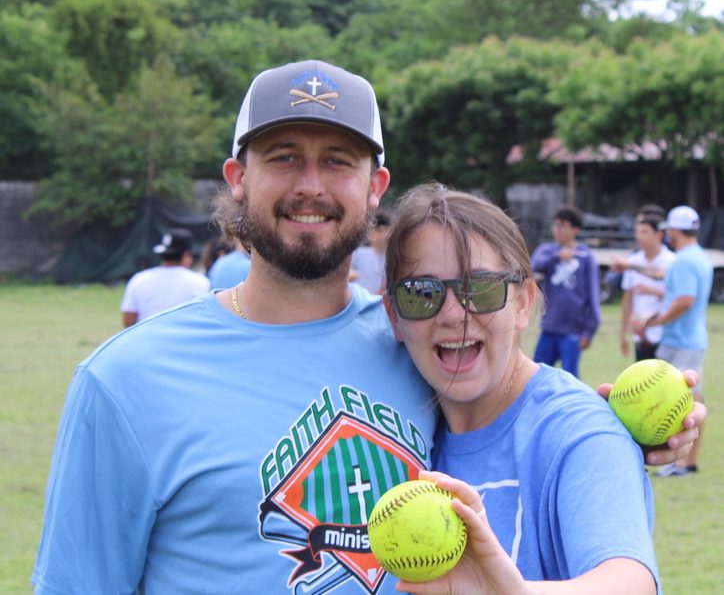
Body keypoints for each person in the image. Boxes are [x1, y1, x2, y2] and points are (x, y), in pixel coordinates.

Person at [33, 60, 703, 595]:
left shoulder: (412, 342)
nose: (311, 185)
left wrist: (625, 437)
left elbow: (527, 415)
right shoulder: (125, 381)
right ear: (238, 177)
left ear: (376, 186)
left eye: (338, 161)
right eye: (284, 156)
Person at [383, 184, 658, 592]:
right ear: (393, 316)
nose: (453, 314)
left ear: (524, 303)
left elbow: (629, 581)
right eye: (421, 293)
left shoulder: (577, 430)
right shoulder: (394, 423)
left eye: (481, 287)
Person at [637, 205, 712, 478]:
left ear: (675, 231)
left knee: (681, 402)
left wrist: (657, 321)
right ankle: (687, 462)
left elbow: (684, 300)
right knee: (692, 398)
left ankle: (679, 463)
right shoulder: (700, 257)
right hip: (693, 338)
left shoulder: (682, 262)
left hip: (680, 340)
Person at [531, 205, 600, 378]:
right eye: (555, 224)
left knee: (570, 378)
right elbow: (533, 266)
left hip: (573, 331)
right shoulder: (547, 251)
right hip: (549, 327)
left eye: (562, 225)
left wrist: (589, 331)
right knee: (536, 374)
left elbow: (593, 295)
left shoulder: (585, 256)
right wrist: (556, 256)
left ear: (575, 229)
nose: (557, 229)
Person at [613, 210, 676, 360]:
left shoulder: (673, 262)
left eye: (644, 232)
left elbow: (679, 298)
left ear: (659, 234)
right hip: (641, 335)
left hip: (666, 337)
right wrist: (623, 334)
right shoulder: (633, 261)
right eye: (637, 232)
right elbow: (628, 299)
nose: (639, 236)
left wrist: (654, 291)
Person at [119, 227, 210, 327]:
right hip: (185, 336)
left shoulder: (139, 279)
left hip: (148, 336)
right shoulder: (201, 282)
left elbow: (128, 321)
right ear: (186, 255)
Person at [349, 208, 393, 293]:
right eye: (379, 230)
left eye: (386, 230)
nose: (383, 235)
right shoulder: (358, 254)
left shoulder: (395, 258)